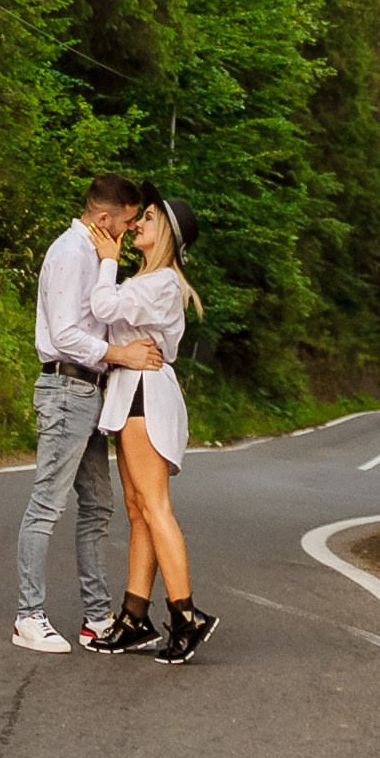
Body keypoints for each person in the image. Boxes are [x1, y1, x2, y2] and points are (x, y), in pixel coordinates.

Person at [12, 174, 147, 654]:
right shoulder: (71, 253)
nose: (132, 230)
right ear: (105, 218)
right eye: (129, 221)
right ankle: (28, 617)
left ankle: (96, 619)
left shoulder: (97, 257)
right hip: (66, 386)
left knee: (97, 506)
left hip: (89, 391)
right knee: (47, 504)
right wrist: (120, 354)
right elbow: (67, 334)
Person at [91, 195, 219, 665]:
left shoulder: (163, 281)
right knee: (137, 508)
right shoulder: (146, 281)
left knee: (154, 505)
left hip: (146, 394)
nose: (138, 222)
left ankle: (187, 615)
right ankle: (134, 616)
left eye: (148, 218)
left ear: (166, 233)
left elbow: (104, 306)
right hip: (131, 393)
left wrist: (107, 261)